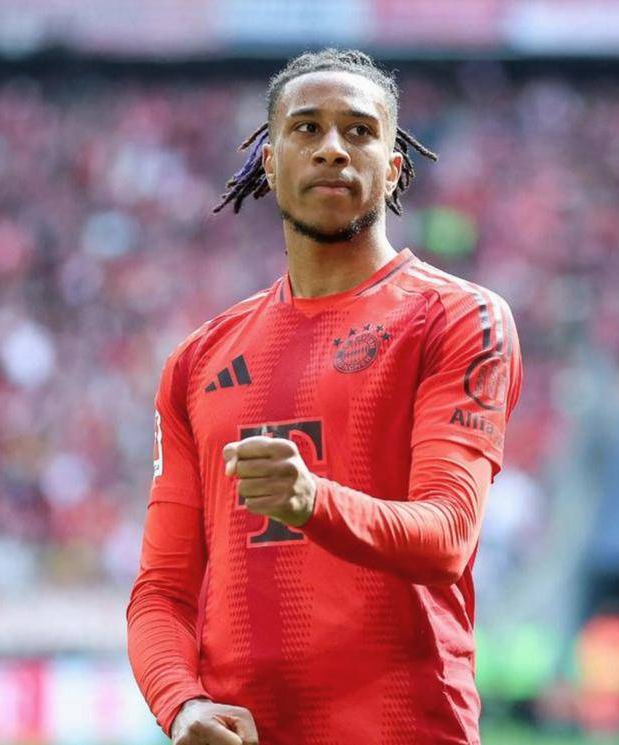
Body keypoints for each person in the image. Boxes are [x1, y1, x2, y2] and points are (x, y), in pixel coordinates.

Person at [126, 48, 523, 744]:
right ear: (270, 162)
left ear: (392, 168)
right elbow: (162, 590)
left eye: (359, 131)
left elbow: (447, 536)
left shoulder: (459, 318)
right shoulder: (197, 361)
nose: (333, 148)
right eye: (306, 128)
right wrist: (180, 703)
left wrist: (312, 500)